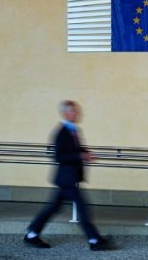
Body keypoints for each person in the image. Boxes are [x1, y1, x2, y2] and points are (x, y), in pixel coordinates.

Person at [23, 100, 112, 250]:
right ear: (65, 113)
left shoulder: (73, 130)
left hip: (69, 178)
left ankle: (32, 234)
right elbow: (58, 157)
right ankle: (94, 240)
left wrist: (85, 152)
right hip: (67, 179)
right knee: (82, 208)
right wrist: (80, 156)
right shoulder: (61, 132)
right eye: (74, 111)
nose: (77, 114)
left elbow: (74, 149)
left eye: (77, 111)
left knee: (53, 208)